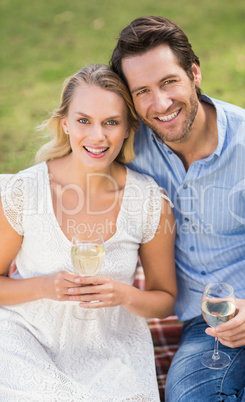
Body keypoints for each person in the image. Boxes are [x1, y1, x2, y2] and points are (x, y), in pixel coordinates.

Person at [110, 16, 245, 401]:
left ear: (194, 74)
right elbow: (76, 152)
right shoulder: (130, 150)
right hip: (209, 325)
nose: (160, 104)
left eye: (168, 82)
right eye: (142, 91)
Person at [0, 64, 177, 401]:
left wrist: (124, 295)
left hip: (111, 351)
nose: (98, 136)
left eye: (111, 122)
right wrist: (43, 286)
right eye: (84, 120)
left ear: (127, 128)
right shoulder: (24, 192)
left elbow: (164, 298)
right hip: (24, 338)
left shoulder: (149, 201)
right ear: (64, 122)